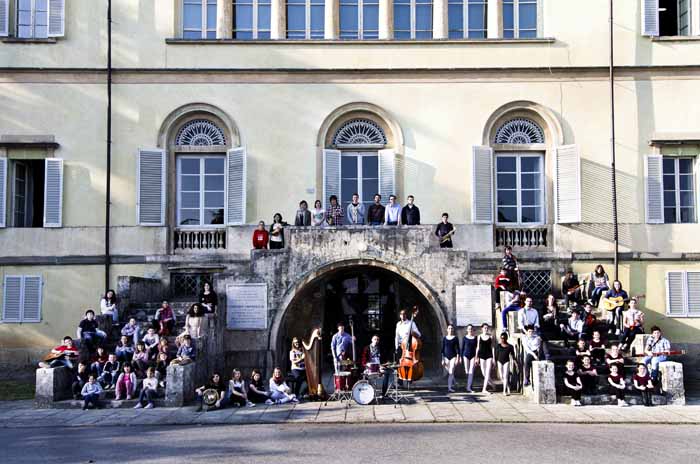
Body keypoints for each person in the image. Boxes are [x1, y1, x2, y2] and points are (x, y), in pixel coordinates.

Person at [441, 324, 461, 393]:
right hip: (446, 357)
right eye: (449, 328)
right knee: (450, 372)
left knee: (451, 370)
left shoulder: (455, 338)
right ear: (447, 330)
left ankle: (449, 387)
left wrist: (458, 358)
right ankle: (454, 381)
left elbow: (458, 349)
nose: (450, 329)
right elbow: (442, 350)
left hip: (453, 357)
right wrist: (442, 359)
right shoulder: (444, 338)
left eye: (451, 328)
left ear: (453, 330)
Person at [475, 323, 494, 395]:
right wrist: (476, 357)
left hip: (489, 355)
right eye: (484, 328)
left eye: (487, 328)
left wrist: (493, 358)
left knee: (487, 372)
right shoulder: (479, 337)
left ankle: (484, 389)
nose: (486, 329)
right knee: (484, 373)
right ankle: (493, 384)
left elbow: (492, 348)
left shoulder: (490, 337)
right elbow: (477, 347)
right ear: (482, 329)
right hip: (482, 356)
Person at [461, 324, 478, 393]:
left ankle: (468, 387)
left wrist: (477, 357)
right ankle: (468, 384)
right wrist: (461, 357)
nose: (470, 330)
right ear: (467, 330)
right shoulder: (464, 338)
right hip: (466, 355)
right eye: (469, 329)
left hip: (473, 356)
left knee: (471, 371)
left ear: (473, 330)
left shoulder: (475, 338)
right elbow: (462, 347)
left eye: (471, 329)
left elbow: (477, 348)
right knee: (467, 371)